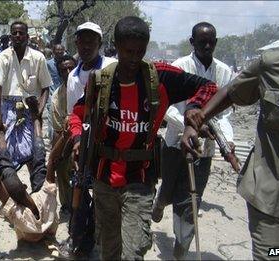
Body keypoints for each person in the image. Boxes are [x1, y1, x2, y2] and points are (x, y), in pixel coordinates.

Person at [68, 16, 218, 260]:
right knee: (109, 250)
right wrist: (77, 138)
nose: (133, 59)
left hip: (140, 180)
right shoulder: (101, 80)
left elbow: (210, 87)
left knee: (134, 251)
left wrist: (194, 107)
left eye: (140, 52)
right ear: (116, 46)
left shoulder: (160, 76)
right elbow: (77, 115)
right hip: (104, 180)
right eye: (127, 52)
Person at [181, 46, 279, 261]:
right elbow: (231, 94)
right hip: (273, 199)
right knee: (276, 256)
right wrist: (196, 122)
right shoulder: (273, 63)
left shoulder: (221, 68)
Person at [151, 22, 235, 258]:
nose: (207, 46)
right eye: (202, 42)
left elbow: (225, 113)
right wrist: (193, 124)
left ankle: (181, 246)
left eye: (211, 42)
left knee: (189, 200)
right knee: (168, 191)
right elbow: (167, 108)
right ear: (192, 43)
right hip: (174, 144)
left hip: (203, 149)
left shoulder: (224, 72)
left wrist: (227, 139)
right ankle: (160, 203)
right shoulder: (179, 67)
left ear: (216, 43)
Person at [60, 21, 117, 258]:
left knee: (105, 194)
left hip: (111, 141)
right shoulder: (74, 76)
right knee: (80, 190)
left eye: (91, 41)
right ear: (76, 43)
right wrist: (77, 142)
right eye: (81, 41)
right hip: (85, 143)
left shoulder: (113, 67)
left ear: (99, 43)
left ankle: (94, 236)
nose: (85, 46)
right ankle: (78, 239)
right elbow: (77, 114)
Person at [0, 97, 65, 242]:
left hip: (34, 229)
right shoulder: (43, 199)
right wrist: (66, 136)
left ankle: (10, 130)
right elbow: (52, 161)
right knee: (35, 163)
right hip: (42, 220)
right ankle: (33, 120)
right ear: (25, 187)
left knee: (36, 162)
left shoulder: (19, 213)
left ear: (25, 187)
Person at [0, 21, 52, 180]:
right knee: (6, 156)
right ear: (10, 36)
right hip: (8, 109)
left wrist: (39, 112)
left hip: (31, 109)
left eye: (21, 33)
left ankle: (37, 194)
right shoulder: (3, 57)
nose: (18, 36)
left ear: (27, 37)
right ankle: (10, 195)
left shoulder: (38, 58)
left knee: (35, 155)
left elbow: (45, 87)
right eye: (14, 33)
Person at [50, 55, 77, 214]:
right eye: (63, 70)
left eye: (71, 68)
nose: (68, 72)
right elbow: (60, 131)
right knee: (60, 164)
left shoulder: (87, 86)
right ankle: (67, 204)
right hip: (69, 139)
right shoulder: (57, 97)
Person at [46, 43, 66, 141]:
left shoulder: (67, 63)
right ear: (53, 52)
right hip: (52, 96)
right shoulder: (48, 64)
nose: (59, 52)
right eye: (57, 50)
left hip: (65, 95)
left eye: (61, 50)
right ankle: (52, 141)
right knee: (52, 120)